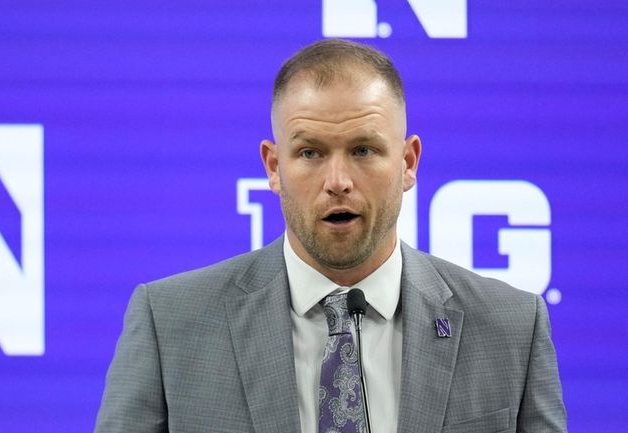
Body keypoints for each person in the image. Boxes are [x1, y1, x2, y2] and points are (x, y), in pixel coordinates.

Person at [94, 39, 567, 433]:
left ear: (407, 163)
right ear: (274, 167)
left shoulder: (511, 328)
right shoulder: (170, 324)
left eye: (363, 149)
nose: (337, 179)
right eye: (311, 153)